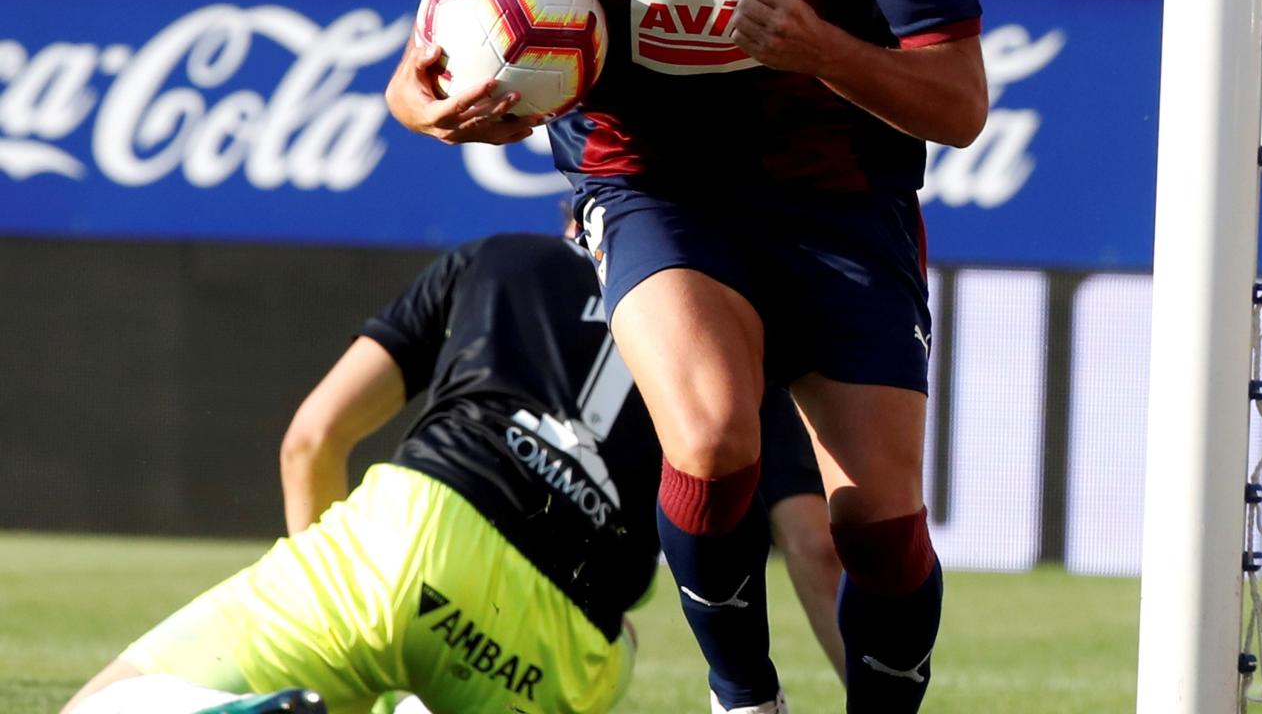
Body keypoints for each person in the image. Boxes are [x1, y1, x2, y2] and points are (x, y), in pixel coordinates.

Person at [385, 0, 987, 712]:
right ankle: (744, 696)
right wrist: (435, 106)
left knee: (876, 529)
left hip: (839, 197)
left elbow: (958, 105)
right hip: (649, 185)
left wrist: (820, 49)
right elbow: (434, 55)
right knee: (709, 436)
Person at [61, 231, 843, 714]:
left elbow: (312, 437)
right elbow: (815, 546)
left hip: (408, 540)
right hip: (559, 636)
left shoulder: (501, 257)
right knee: (609, 645)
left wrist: (343, 601)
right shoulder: (741, 364)